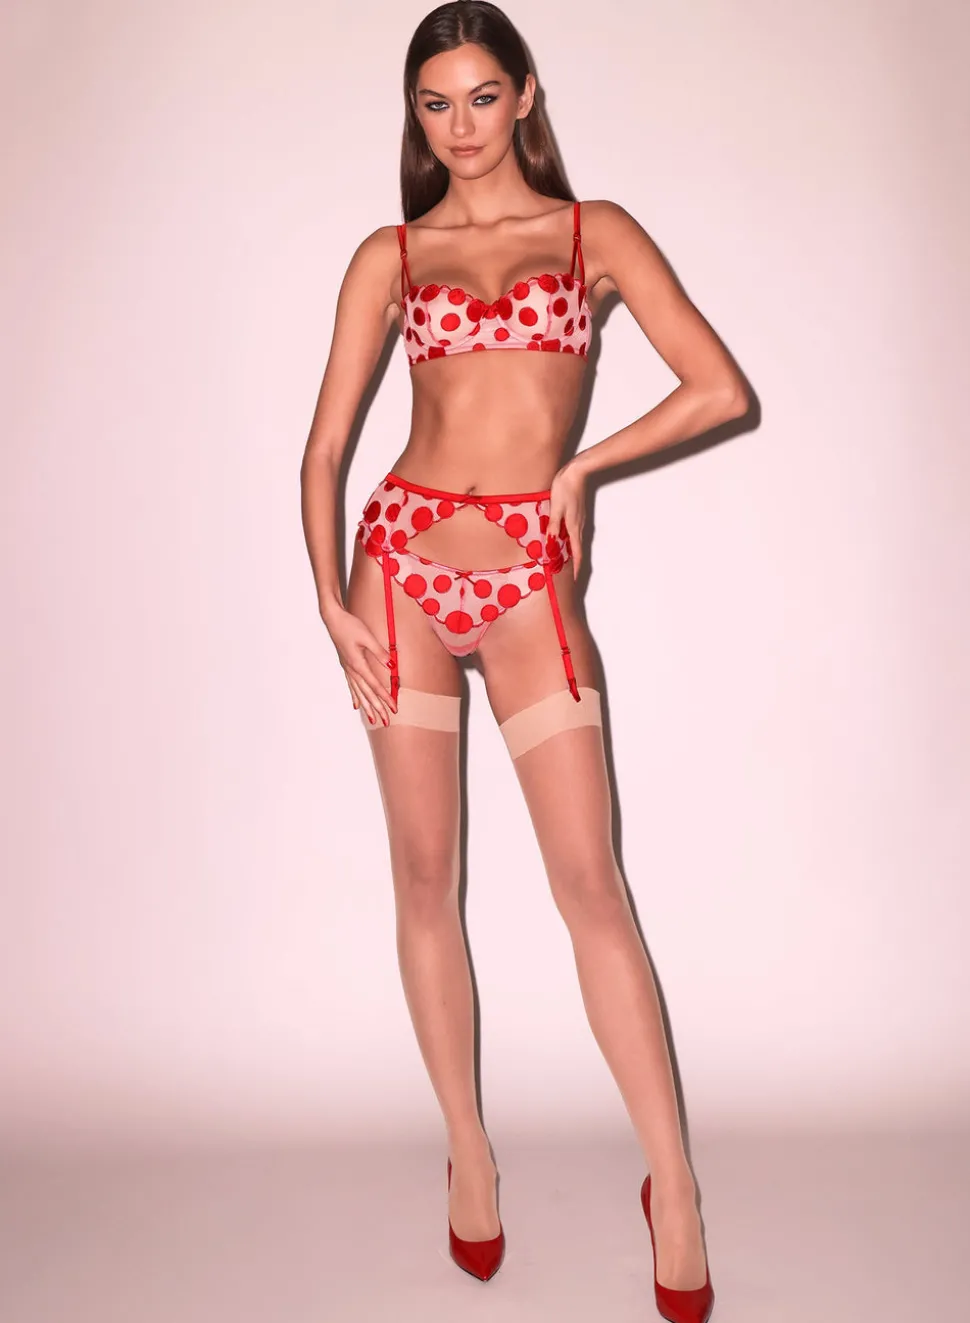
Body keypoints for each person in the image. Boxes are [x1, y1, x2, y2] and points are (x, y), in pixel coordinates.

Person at [300, 3, 747, 1318]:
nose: (461, 126)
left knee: (589, 882)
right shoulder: (392, 253)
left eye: (482, 97)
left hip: (524, 588)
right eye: (435, 103)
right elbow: (325, 450)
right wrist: (328, 600)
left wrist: (582, 469)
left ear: (526, 94)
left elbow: (718, 387)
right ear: (415, 115)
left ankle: (674, 1183)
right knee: (423, 873)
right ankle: (469, 1149)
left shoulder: (591, 233)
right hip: (397, 571)